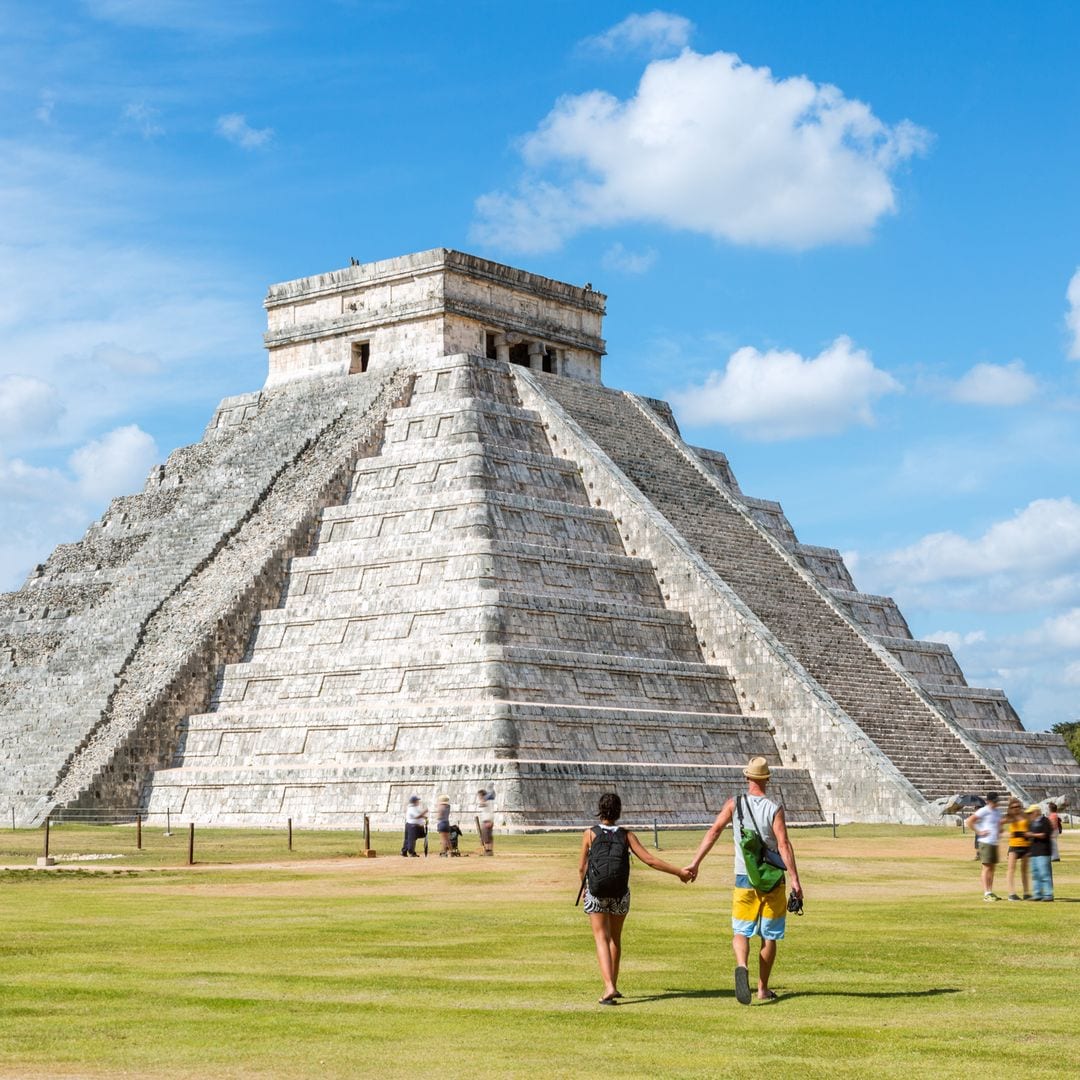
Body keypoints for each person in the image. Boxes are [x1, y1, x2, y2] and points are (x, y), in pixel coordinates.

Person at [684, 756, 803, 1005]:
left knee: (741, 931)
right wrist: (795, 880)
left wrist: (695, 862)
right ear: (767, 779)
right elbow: (783, 844)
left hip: (743, 876)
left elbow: (714, 831)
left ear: (747, 777)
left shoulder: (734, 804)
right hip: (772, 879)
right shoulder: (774, 808)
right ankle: (762, 988)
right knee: (769, 935)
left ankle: (741, 965)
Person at [578, 791, 692, 1005]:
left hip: (597, 892)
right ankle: (614, 984)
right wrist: (679, 872)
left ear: (600, 811)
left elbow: (581, 866)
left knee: (601, 938)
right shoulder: (626, 835)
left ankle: (608, 986)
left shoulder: (589, 834)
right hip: (620, 893)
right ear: (619, 812)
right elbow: (650, 860)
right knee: (615, 939)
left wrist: (584, 887)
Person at [966, 791, 1002, 901]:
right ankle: (986, 892)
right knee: (986, 867)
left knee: (992, 868)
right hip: (985, 842)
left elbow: (998, 825)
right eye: (994, 801)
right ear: (989, 801)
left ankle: (990, 891)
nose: (996, 803)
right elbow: (970, 821)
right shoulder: (984, 810)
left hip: (994, 842)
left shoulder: (997, 812)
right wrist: (979, 831)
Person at [1003, 797, 1032, 900]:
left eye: (1018, 806)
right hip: (1014, 845)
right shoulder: (1010, 817)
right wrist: (1005, 833)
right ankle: (1011, 894)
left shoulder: (1025, 815)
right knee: (1011, 870)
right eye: (1014, 807)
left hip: (1025, 845)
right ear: (1010, 808)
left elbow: (1031, 826)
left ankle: (1026, 893)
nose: (1016, 808)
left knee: (1024, 870)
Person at [1026, 804, 1054, 901]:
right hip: (1034, 852)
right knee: (1036, 874)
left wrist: (1032, 834)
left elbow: (1045, 834)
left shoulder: (1045, 821)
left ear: (1036, 812)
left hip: (1043, 851)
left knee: (1044, 874)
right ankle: (1037, 894)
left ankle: (1048, 894)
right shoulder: (1031, 823)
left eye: (1030, 813)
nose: (1029, 815)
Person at [477, 788, 495, 856]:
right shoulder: (488, 801)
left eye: (479, 796)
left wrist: (483, 798)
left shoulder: (486, 801)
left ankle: (488, 850)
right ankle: (488, 850)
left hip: (487, 821)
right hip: (487, 820)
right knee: (487, 836)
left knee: (487, 837)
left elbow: (482, 804)